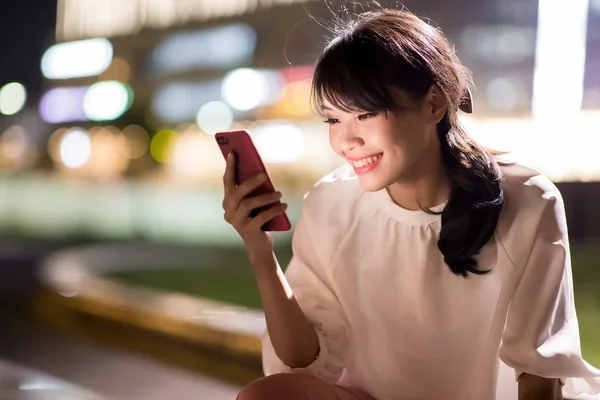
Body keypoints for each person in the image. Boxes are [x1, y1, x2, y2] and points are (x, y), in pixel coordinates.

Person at [221, 8, 600, 400]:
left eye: (365, 114)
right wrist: (259, 249)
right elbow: (303, 360)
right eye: (333, 120)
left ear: (434, 104)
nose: (346, 141)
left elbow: (539, 374)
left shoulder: (527, 199)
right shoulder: (330, 203)